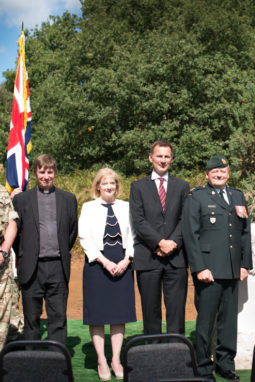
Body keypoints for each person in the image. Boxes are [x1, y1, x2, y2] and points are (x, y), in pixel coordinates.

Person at [182, 155, 252, 381]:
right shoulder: (197, 197)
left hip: (232, 269)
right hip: (208, 271)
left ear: (228, 173)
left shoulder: (237, 196)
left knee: (228, 321)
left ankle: (225, 363)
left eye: (223, 171)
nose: (219, 174)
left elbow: (244, 233)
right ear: (207, 174)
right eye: (214, 171)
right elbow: (190, 235)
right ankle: (203, 366)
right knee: (206, 322)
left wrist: (245, 264)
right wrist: (199, 267)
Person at [12, 154, 78, 345]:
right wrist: (26, 253)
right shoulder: (22, 200)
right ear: (35, 173)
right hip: (31, 267)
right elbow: (17, 235)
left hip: (58, 267)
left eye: (50, 172)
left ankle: (57, 359)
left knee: (57, 318)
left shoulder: (68, 199)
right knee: (31, 319)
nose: (46, 176)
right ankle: (32, 358)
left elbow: (71, 232)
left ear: (55, 173)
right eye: (42, 172)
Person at [79, 168, 136, 381]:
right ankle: (102, 359)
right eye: (104, 183)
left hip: (122, 262)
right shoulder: (88, 207)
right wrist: (104, 262)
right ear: (97, 187)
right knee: (98, 314)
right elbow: (84, 237)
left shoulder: (126, 207)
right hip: (97, 264)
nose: (109, 186)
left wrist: (126, 259)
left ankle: (116, 359)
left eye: (112, 183)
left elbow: (134, 235)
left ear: (117, 186)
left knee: (118, 313)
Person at [129, 140, 190, 335]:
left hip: (176, 257)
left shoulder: (182, 186)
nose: (163, 160)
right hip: (148, 257)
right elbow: (138, 220)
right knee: (150, 311)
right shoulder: (138, 187)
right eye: (159, 156)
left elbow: (185, 218)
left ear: (171, 159)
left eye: (167, 156)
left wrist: (172, 242)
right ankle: (152, 355)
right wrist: (159, 242)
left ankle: (177, 354)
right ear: (150, 158)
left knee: (176, 311)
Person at [0, 184, 20, 350]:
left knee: (4, 318)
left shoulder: (1, 192)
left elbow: (11, 223)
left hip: (1, 264)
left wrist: (4, 251)